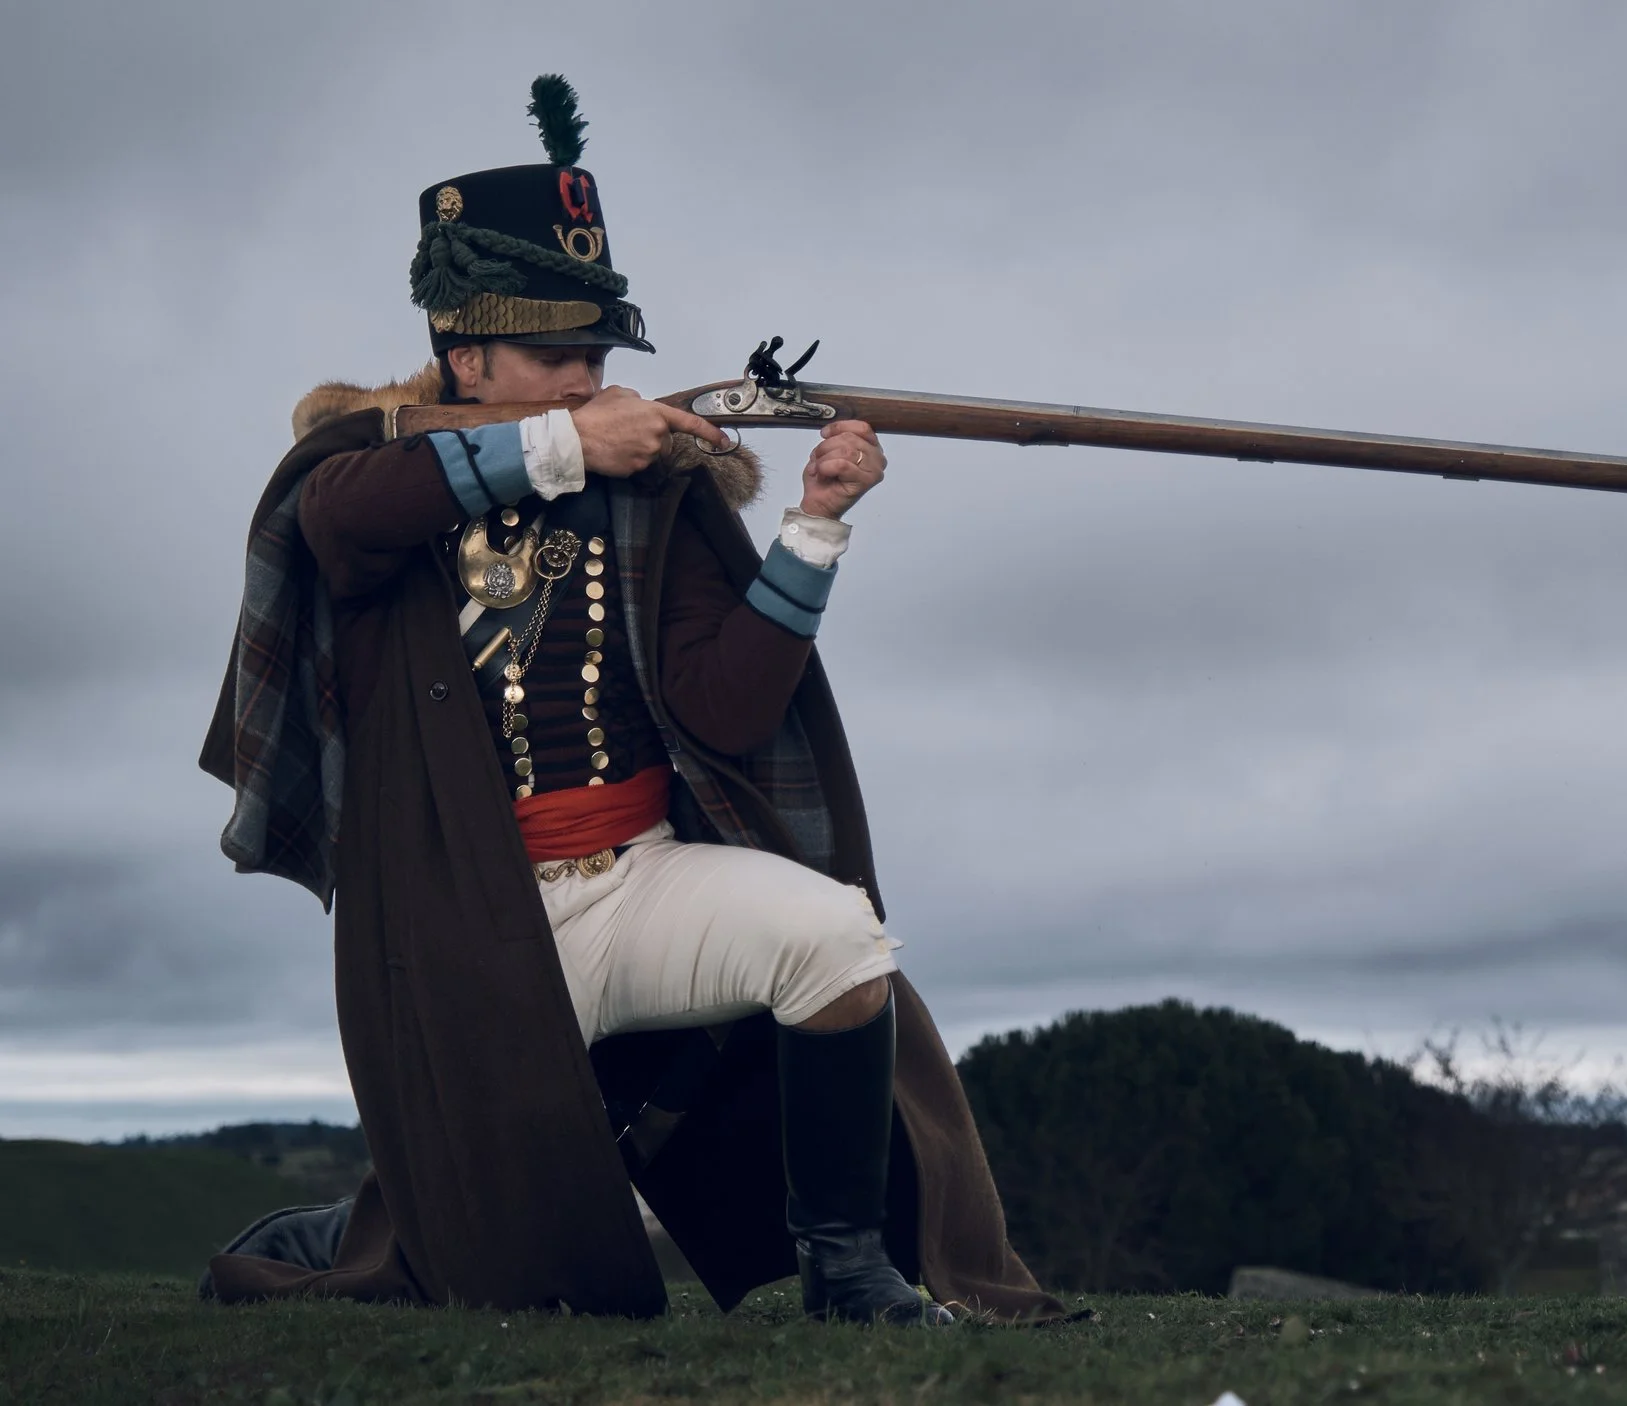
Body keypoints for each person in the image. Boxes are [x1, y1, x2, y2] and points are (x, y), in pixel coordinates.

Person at [198, 76, 1058, 1326]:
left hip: (641, 876)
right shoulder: (372, 466)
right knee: (514, 1276)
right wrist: (560, 445)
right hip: (464, 923)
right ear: (465, 355)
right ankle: (348, 1224)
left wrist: (813, 528)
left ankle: (851, 1273)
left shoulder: (658, 491)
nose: (589, 378)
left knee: (838, 942)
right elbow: (336, 518)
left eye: (598, 355)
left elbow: (723, 707)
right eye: (556, 355)